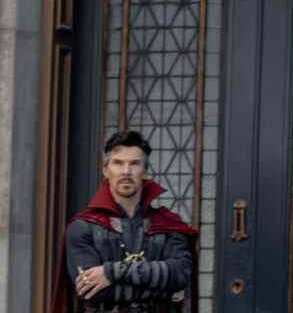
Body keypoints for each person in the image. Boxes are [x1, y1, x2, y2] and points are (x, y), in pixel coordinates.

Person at [51, 131, 196, 313]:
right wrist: (161, 290)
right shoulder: (82, 227)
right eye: (118, 163)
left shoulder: (167, 225)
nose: (126, 171)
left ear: (145, 170)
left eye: (134, 164)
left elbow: (180, 274)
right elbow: (91, 290)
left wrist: (111, 272)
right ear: (106, 170)